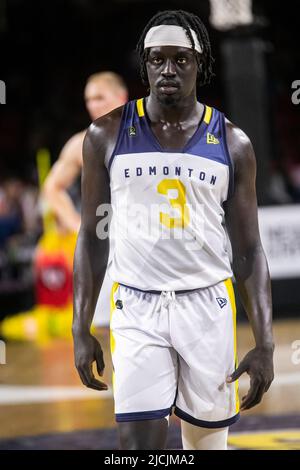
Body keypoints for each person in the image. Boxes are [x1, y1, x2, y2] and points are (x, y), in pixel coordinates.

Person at [72, 10, 274, 450]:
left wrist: (266, 342)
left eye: (180, 59)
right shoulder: (105, 135)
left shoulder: (232, 142)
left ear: (200, 64)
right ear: (143, 65)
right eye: (156, 59)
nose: (168, 69)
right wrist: (80, 326)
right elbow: (92, 237)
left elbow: (249, 250)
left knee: (205, 446)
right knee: (138, 447)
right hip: (136, 308)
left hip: (207, 307)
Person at [43, 71, 128, 233]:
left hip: (143, 235)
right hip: (105, 238)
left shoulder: (145, 136)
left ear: (121, 97)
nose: (92, 105)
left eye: (99, 98)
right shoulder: (81, 143)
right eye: (88, 100)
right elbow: (52, 187)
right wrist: (77, 226)